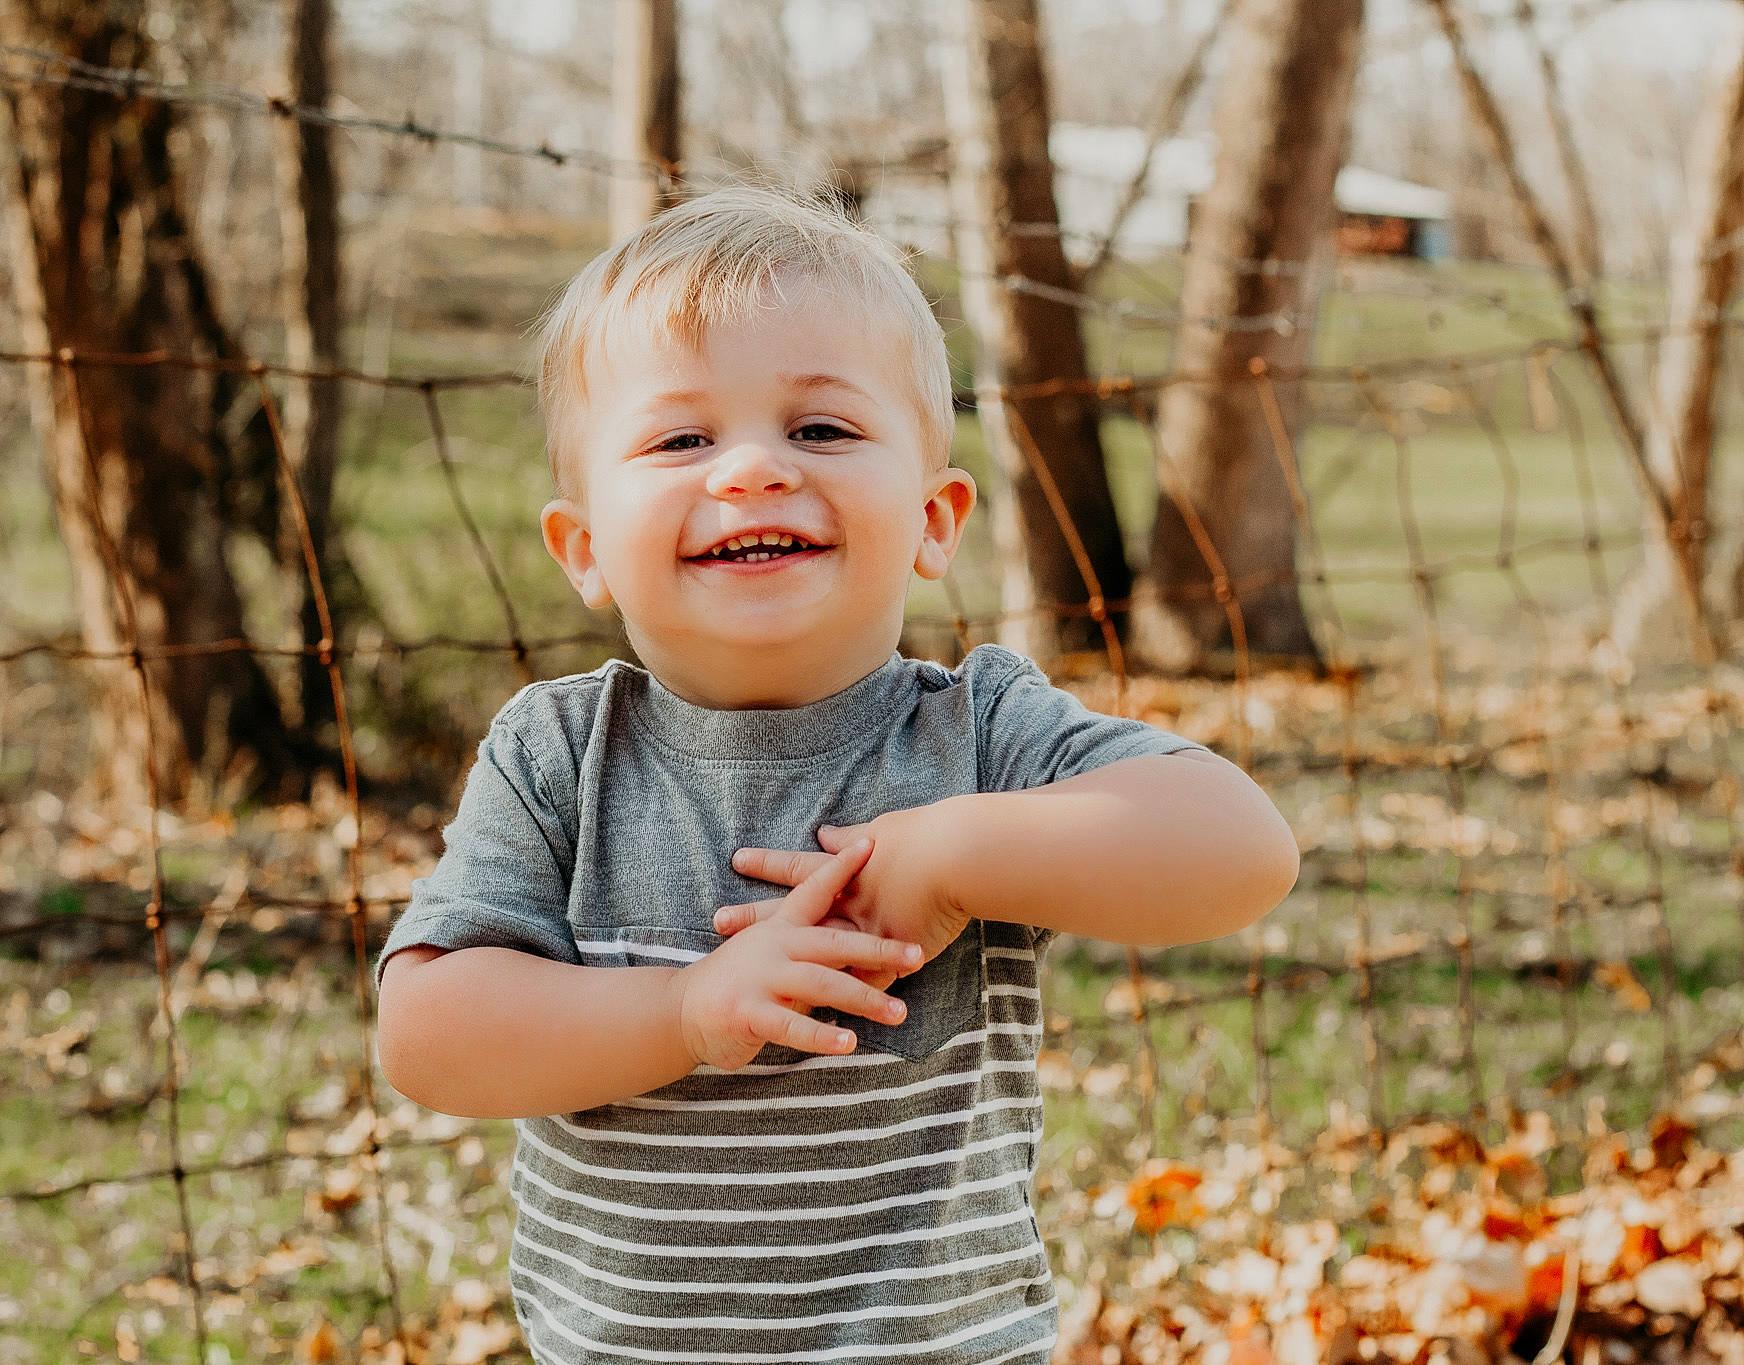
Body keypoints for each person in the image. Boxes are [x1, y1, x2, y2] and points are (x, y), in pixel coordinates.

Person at [373, 184, 1300, 1365]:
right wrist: (686, 1010)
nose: (752, 470)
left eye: (820, 429)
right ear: (584, 547)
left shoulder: (979, 736)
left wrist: (948, 853)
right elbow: (428, 1034)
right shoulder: (557, 753)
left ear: (932, 518)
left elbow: (1241, 850)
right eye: (679, 438)